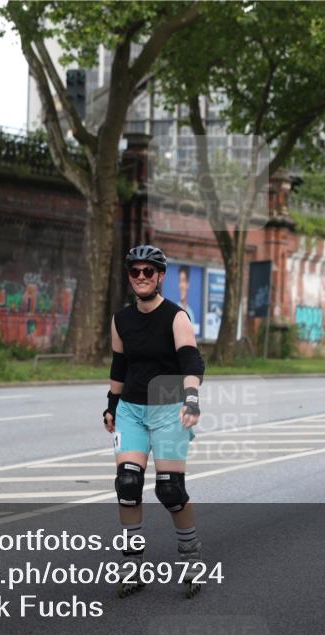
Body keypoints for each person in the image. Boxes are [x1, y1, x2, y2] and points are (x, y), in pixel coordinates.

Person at [104, 245, 206, 599]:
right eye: (136, 271)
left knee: (170, 489)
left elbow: (192, 363)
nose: (142, 277)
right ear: (130, 277)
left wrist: (191, 399)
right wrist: (111, 406)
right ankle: (133, 566)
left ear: (161, 276)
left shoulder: (176, 317)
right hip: (131, 409)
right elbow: (119, 367)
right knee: (128, 483)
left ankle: (191, 559)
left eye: (150, 271)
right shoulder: (120, 320)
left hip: (168, 407)